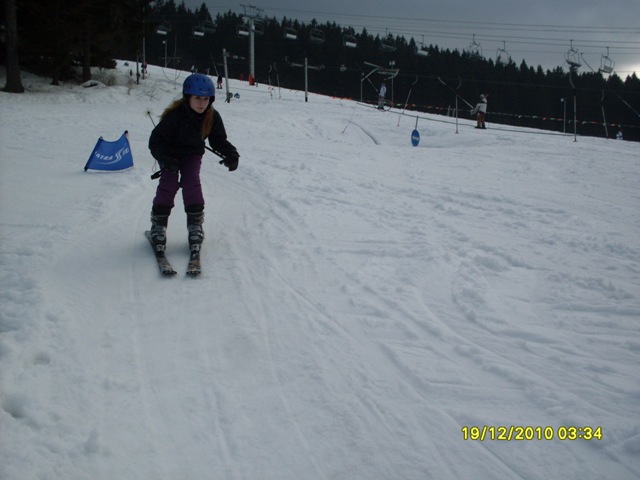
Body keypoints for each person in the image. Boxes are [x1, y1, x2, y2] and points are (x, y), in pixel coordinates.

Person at [148, 73, 239, 253]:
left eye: (206, 99)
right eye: (197, 98)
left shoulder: (211, 116)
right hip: (170, 154)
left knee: (191, 182)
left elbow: (218, 140)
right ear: (188, 97)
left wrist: (231, 154)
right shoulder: (175, 115)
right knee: (168, 184)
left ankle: (195, 225)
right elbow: (156, 141)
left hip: (192, 154)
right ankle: (158, 225)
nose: (201, 103)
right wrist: (165, 160)